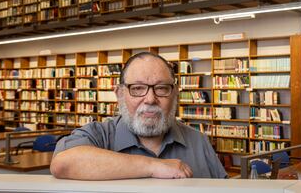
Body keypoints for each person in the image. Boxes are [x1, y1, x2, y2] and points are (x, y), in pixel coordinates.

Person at [50, 52, 227, 180]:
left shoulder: (199, 141)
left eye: (161, 88)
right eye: (137, 88)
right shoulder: (98, 136)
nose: (150, 99)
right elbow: (63, 164)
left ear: (174, 94)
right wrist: (153, 166)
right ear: (119, 94)